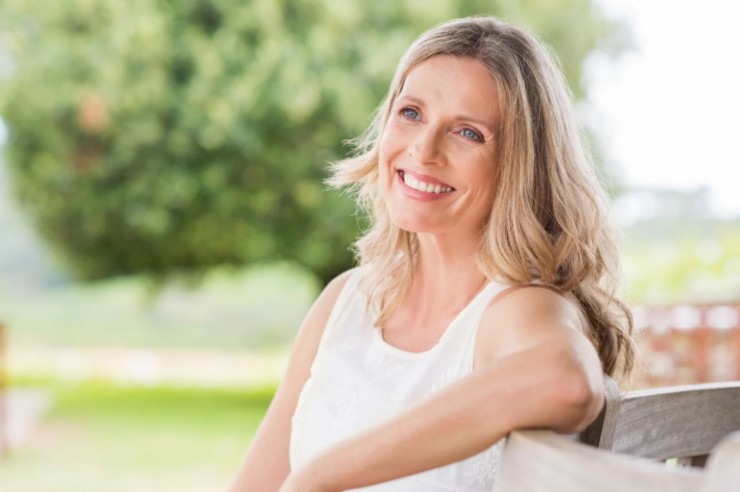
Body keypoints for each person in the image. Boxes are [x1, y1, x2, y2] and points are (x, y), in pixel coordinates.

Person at [228, 15, 635, 492]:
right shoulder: (346, 300)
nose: (424, 151)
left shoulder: (519, 307)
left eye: (468, 132)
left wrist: (320, 475)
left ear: (519, 164)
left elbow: (566, 382)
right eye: (411, 113)